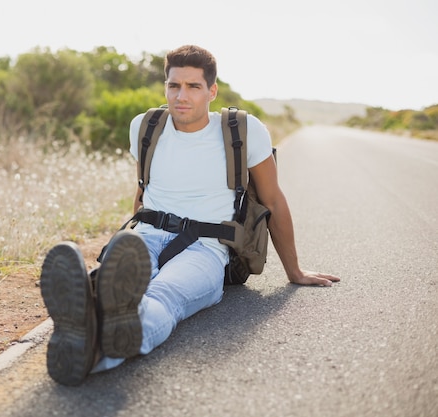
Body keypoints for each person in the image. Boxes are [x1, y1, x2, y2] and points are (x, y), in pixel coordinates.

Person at [39, 44, 341, 386]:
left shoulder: (242, 131)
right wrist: (131, 232)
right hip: (144, 239)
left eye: (193, 86)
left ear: (211, 91)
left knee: (162, 296)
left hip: (206, 248)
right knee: (116, 282)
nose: (182, 96)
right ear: (165, 87)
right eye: (174, 86)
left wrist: (294, 271)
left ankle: (87, 346)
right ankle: (98, 324)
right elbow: (143, 188)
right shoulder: (145, 126)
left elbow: (273, 199)